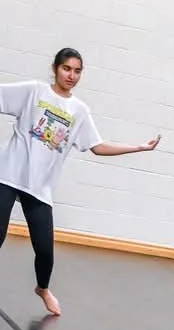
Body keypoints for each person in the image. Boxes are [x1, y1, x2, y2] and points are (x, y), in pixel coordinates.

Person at [0, 47, 161, 316]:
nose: (71, 75)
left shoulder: (79, 110)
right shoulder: (33, 91)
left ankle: (42, 288)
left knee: (45, 251)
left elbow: (97, 146)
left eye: (77, 71)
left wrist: (139, 147)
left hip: (39, 188)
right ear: (55, 68)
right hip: (8, 175)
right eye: (66, 69)